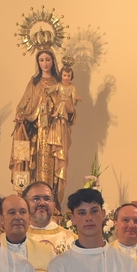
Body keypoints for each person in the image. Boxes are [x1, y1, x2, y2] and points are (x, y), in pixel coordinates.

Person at [10, 50, 61, 193]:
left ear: (53, 61)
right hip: (34, 130)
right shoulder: (34, 83)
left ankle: (52, 199)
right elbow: (22, 105)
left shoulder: (58, 83)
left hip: (53, 131)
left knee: (51, 166)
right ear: (38, 63)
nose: (45, 63)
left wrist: (52, 96)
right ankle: (29, 197)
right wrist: (21, 115)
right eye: (42, 60)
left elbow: (66, 106)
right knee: (31, 164)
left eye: (48, 59)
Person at [46, 65, 79, 200]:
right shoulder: (57, 86)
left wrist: (72, 109)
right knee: (61, 104)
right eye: (64, 75)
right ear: (61, 75)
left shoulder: (71, 87)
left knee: (64, 104)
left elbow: (74, 98)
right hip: (54, 125)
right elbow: (49, 91)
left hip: (64, 123)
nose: (66, 78)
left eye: (69, 76)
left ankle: (57, 199)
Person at [23, 181, 76, 256]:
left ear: (54, 205)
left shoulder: (72, 239)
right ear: (25, 204)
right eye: (36, 199)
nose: (42, 203)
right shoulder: (16, 238)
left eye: (47, 199)